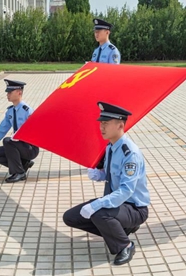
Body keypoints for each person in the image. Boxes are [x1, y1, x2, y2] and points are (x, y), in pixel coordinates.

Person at [62, 102, 149, 266]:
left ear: (120, 125)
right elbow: (111, 174)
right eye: (101, 122)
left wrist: (97, 204)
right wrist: (99, 174)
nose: (101, 127)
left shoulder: (130, 153)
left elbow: (125, 191)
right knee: (71, 217)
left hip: (134, 208)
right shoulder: (110, 147)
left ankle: (125, 245)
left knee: (99, 213)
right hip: (117, 205)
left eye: (106, 123)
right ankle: (120, 232)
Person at [0, 79, 38, 183]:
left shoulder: (27, 111)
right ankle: (22, 165)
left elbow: (35, 129)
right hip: (17, 146)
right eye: (7, 92)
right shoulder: (10, 110)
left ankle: (19, 173)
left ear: (19, 92)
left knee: (8, 141)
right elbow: (2, 129)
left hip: (30, 147)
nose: (7, 95)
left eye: (10, 92)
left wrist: (20, 135)